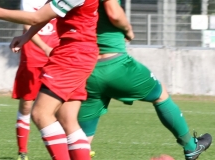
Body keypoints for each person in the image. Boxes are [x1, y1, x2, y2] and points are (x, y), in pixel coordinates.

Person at [77, 0, 212, 160]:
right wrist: (128, 29)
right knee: (160, 94)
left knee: (83, 141)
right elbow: (114, 12)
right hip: (115, 64)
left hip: (87, 69)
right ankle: (191, 147)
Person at [0, 1, 99, 160]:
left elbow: (35, 17)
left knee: (41, 114)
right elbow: (45, 15)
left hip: (73, 54)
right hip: (79, 52)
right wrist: (27, 36)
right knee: (68, 119)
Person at [13, 0, 59, 160]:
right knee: (26, 105)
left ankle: (75, 148)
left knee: (63, 107)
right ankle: (22, 152)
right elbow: (28, 24)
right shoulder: (28, 1)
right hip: (32, 57)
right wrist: (45, 48)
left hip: (57, 57)